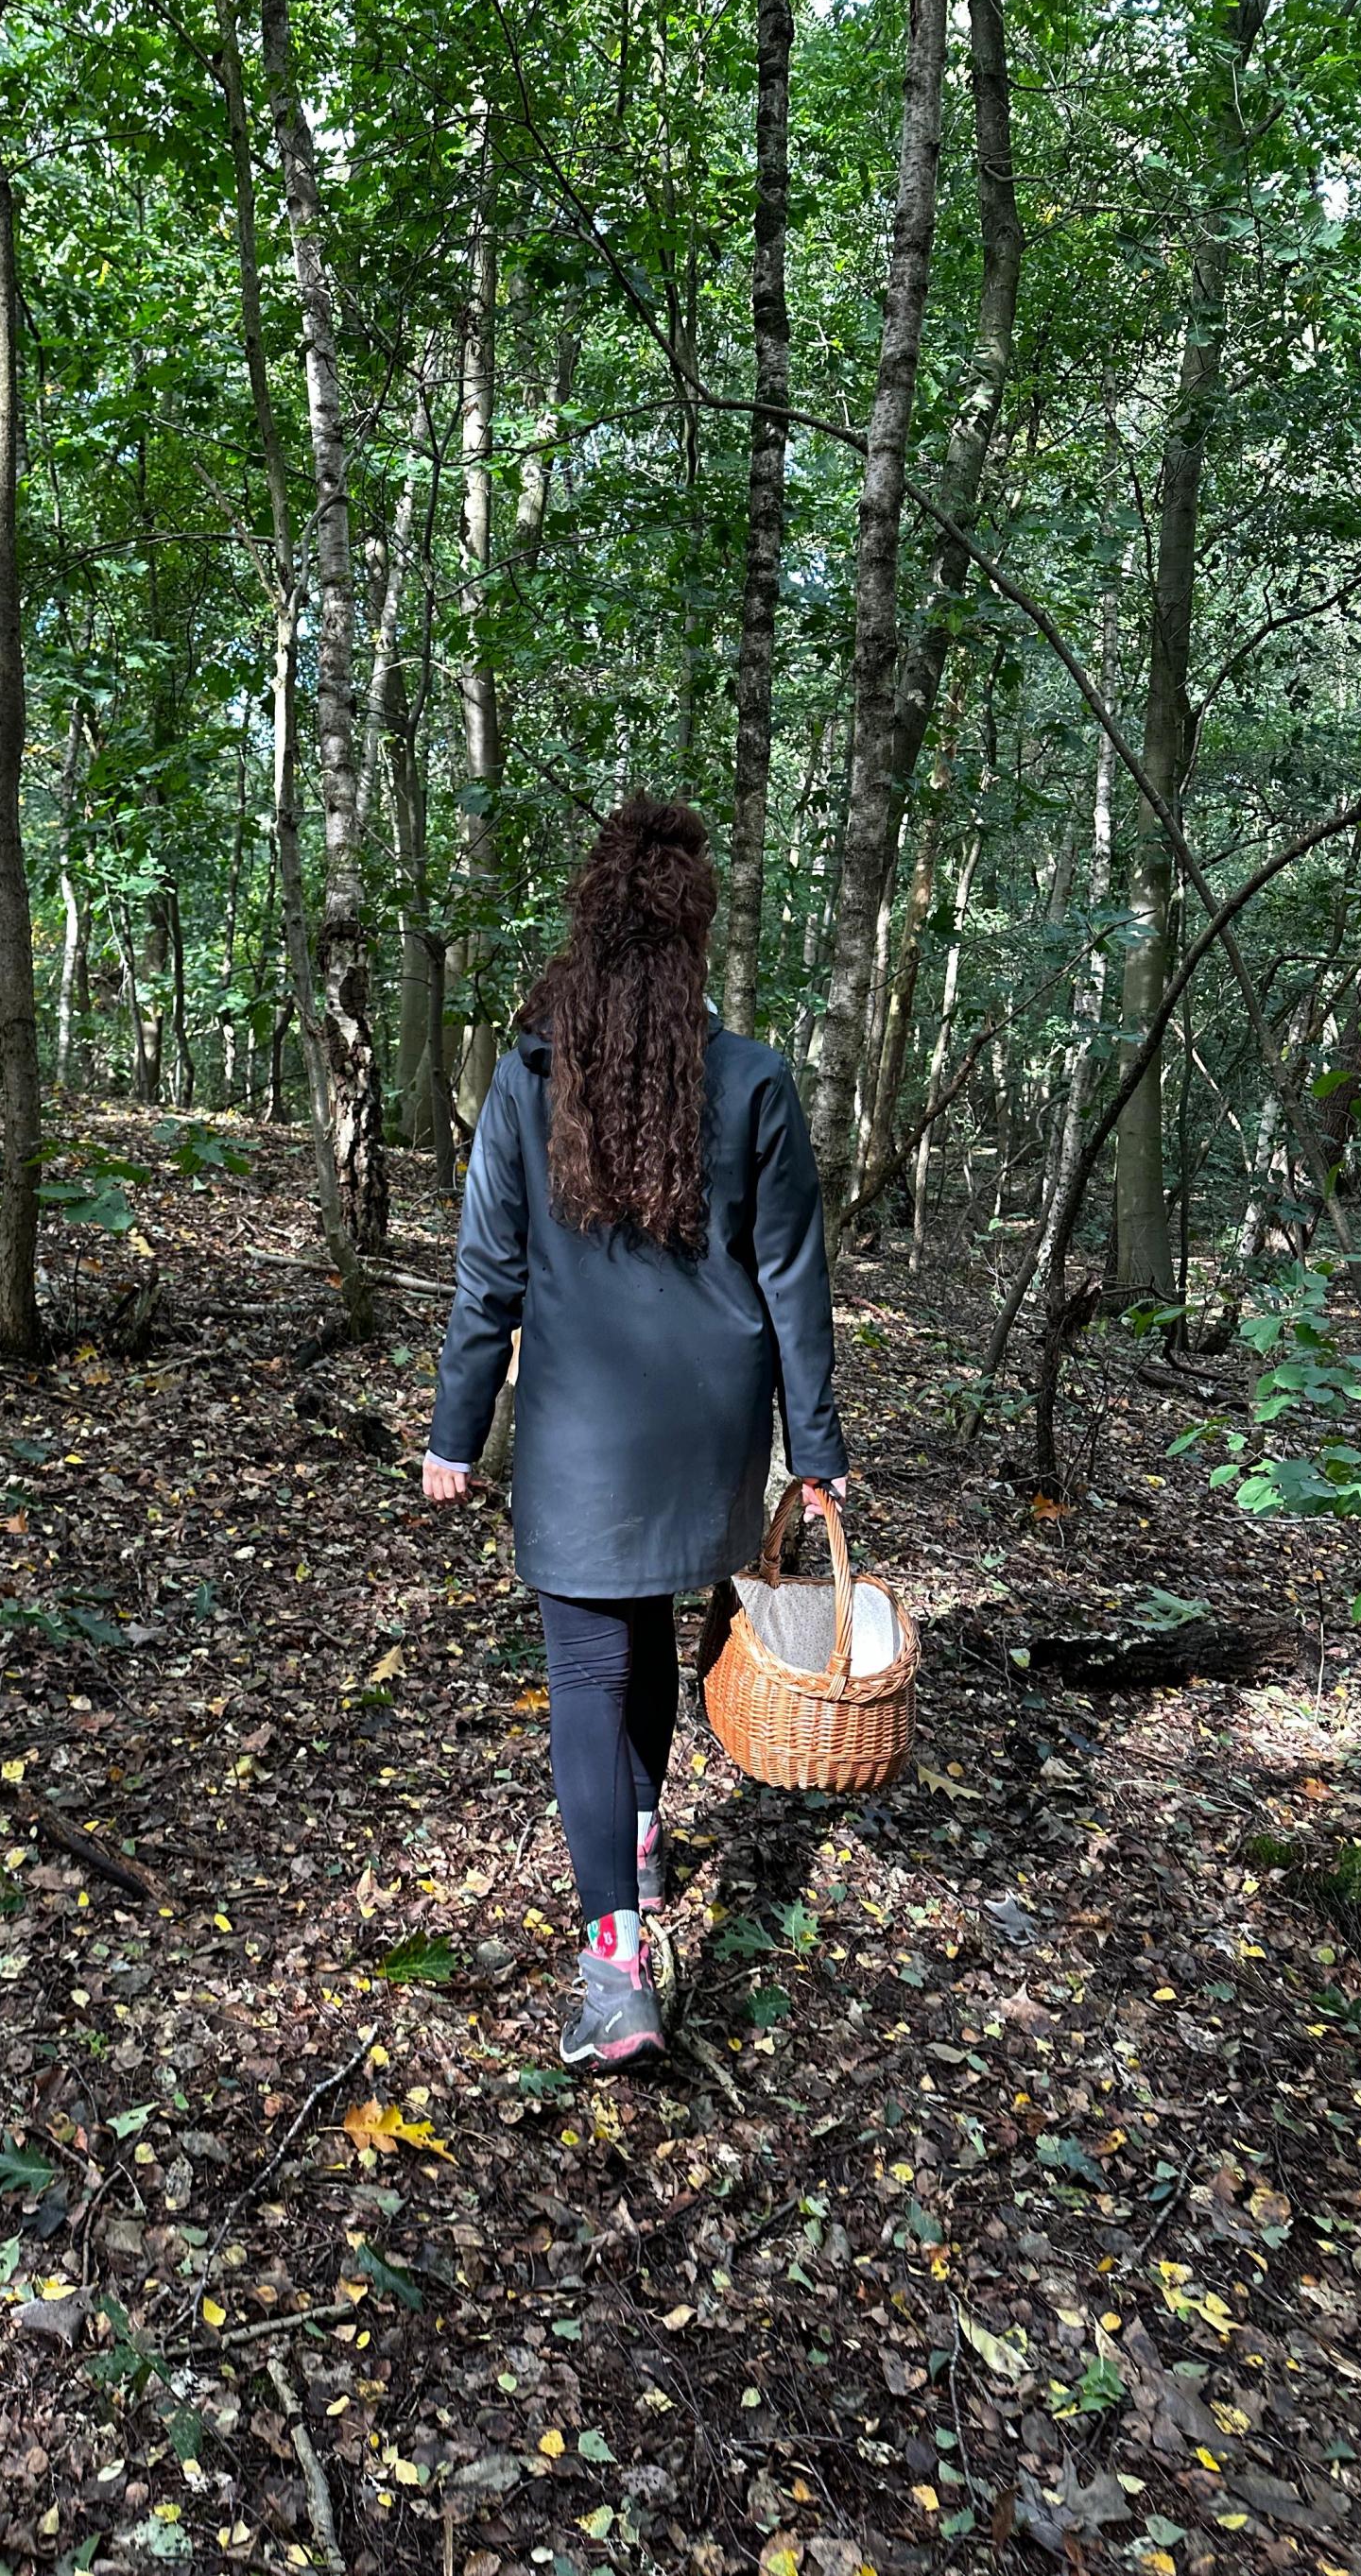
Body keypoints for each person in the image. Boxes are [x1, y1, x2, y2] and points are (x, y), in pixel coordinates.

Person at [422, 796, 850, 2069]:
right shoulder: (752, 1079)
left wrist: (455, 1432)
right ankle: (644, 1832)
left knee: (586, 1673)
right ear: (691, 941)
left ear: (591, 932)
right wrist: (814, 1452)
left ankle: (615, 1967)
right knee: (647, 1629)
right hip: (710, 1426)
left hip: (580, 1432)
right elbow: (794, 1281)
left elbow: (487, 1275)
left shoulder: (528, 1076)